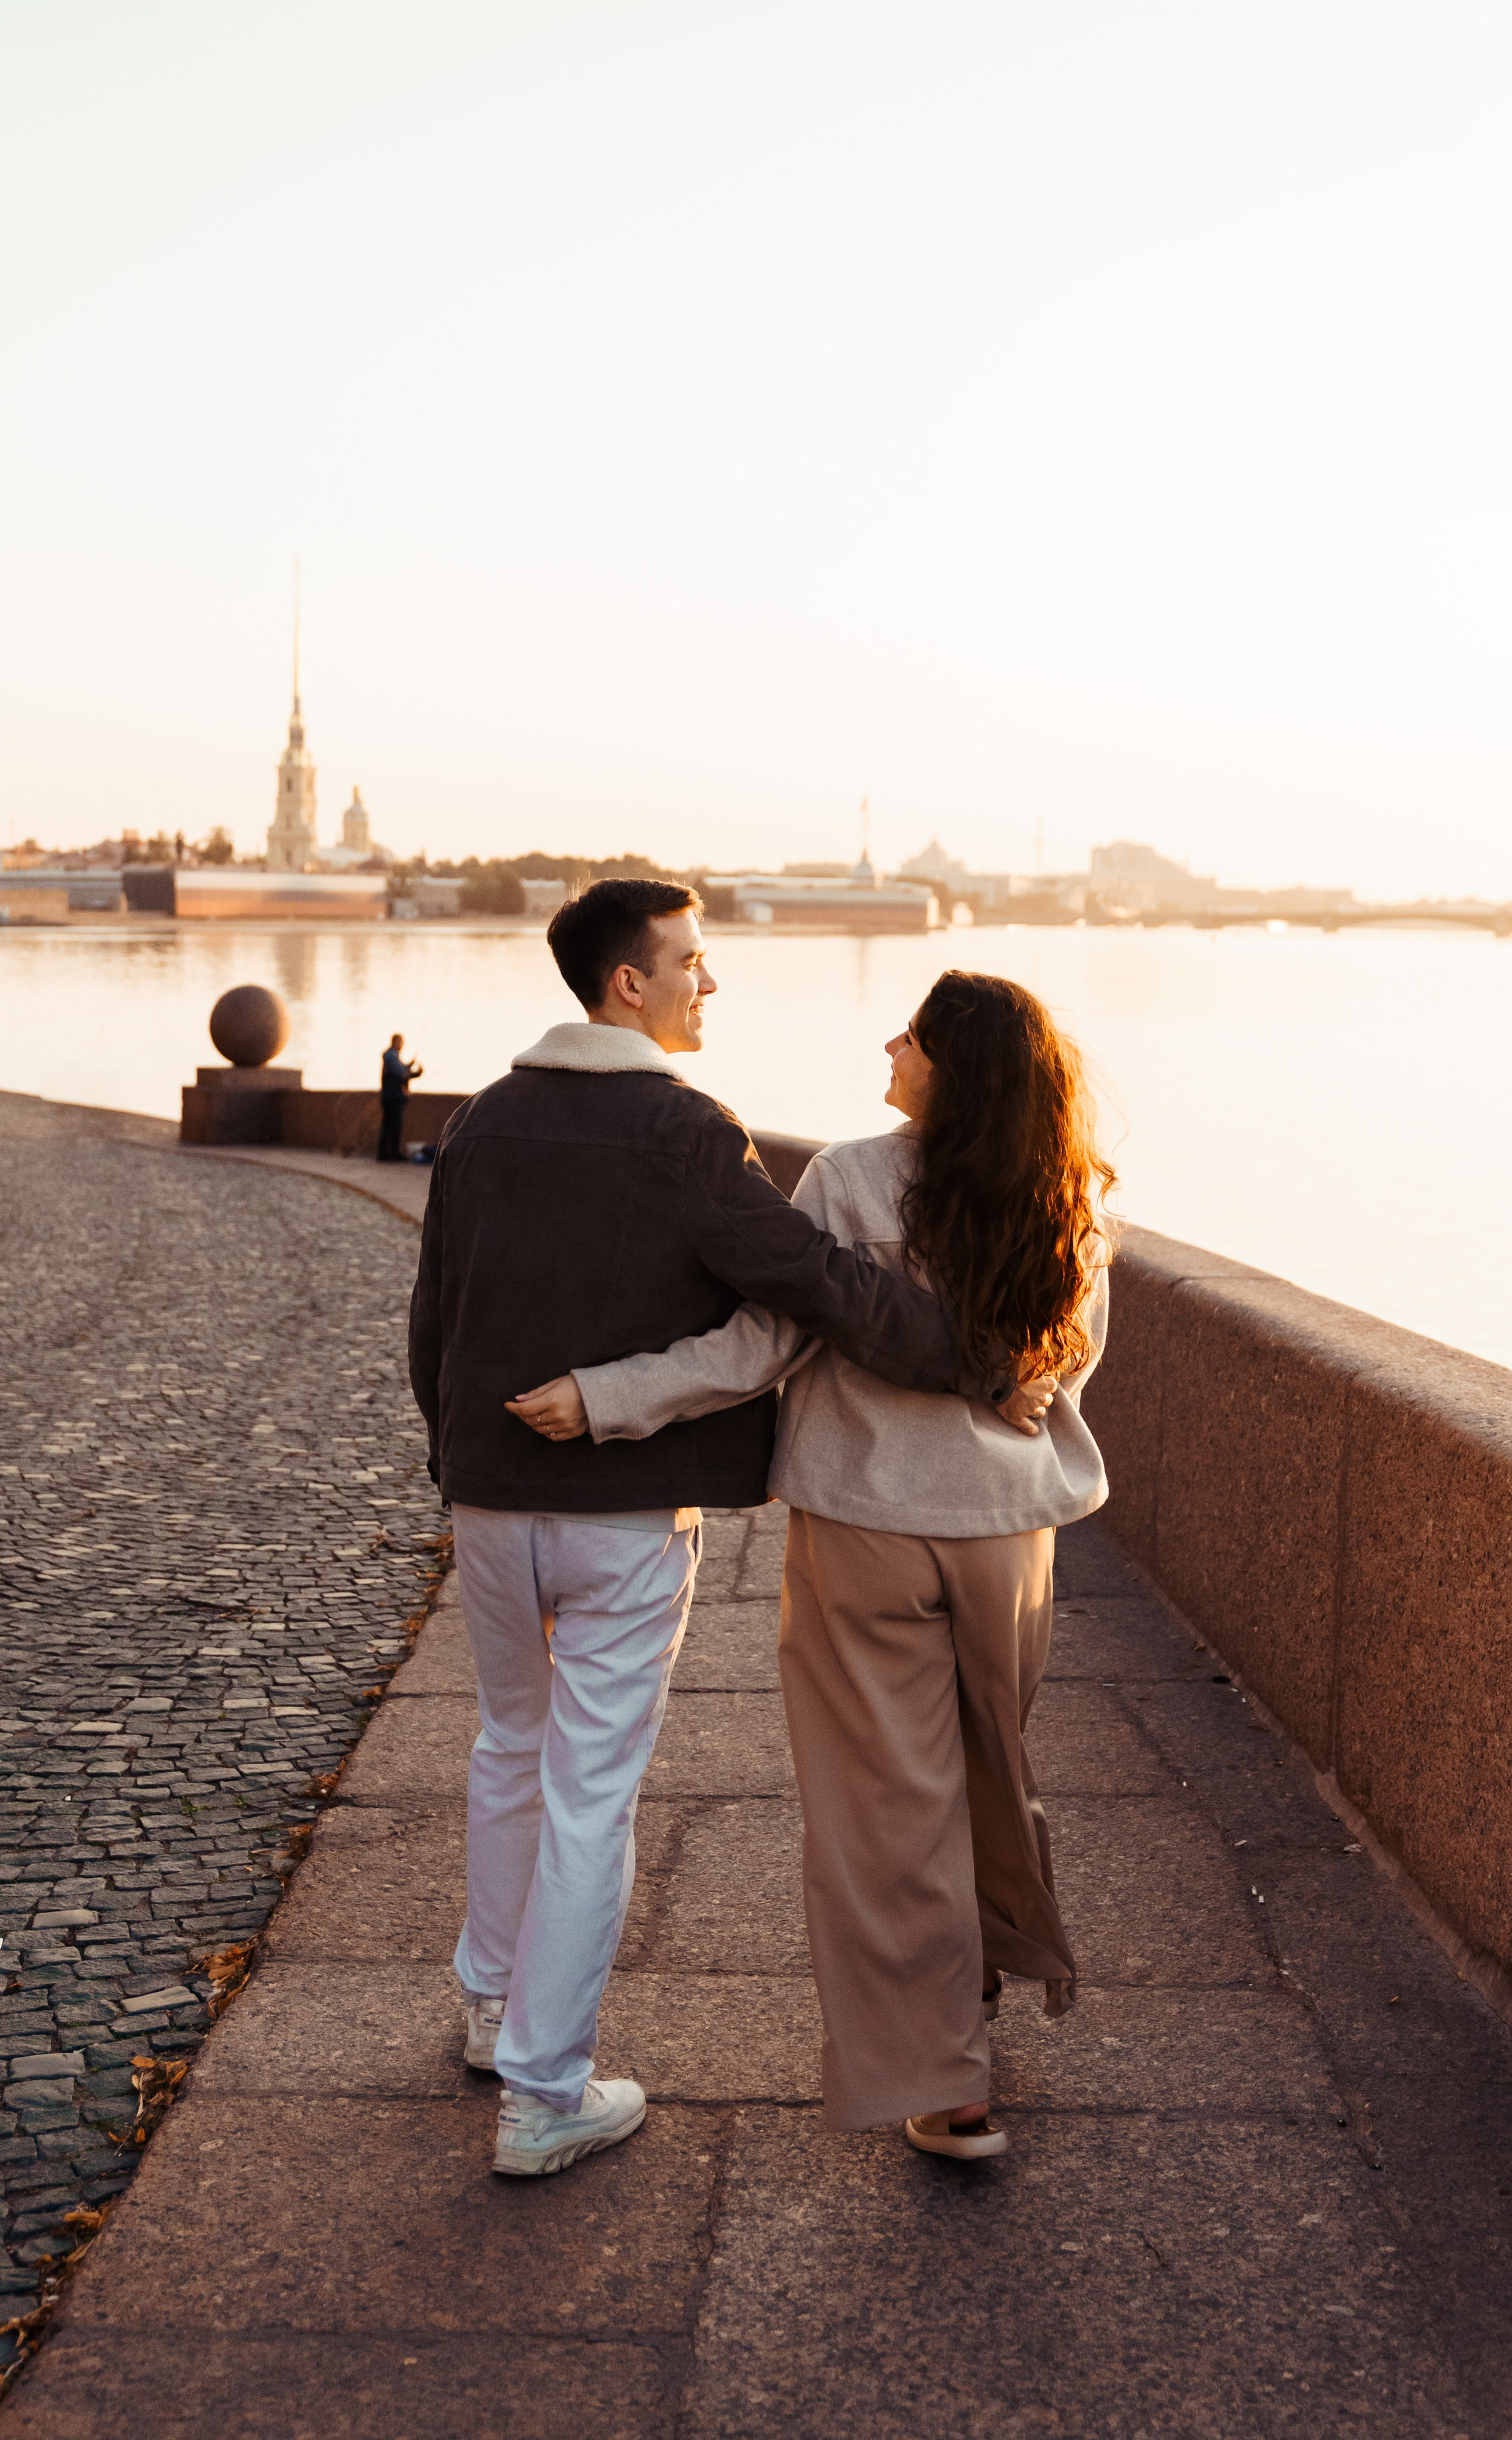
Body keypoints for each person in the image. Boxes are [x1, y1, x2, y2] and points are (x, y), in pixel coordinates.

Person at [408, 888, 1051, 2179]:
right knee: (588, 1793)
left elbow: (435, 1319)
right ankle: (542, 2094)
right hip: (625, 1514)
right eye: (692, 964)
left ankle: (489, 2010)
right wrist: (981, 1359)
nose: (713, 985)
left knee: (504, 1746)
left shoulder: (482, 1116)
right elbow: (810, 1288)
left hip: (487, 1498)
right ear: (626, 988)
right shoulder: (684, 1127)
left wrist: (460, 1453)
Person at [378, 1033, 422, 1163]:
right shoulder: (391, 1056)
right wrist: (415, 1073)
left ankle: (385, 1154)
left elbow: (401, 1070)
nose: (402, 1045)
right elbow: (401, 1073)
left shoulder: (392, 1056)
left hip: (390, 1097)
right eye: (401, 1042)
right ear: (395, 1042)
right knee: (394, 1126)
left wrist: (410, 1067)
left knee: (388, 1126)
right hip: (393, 1098)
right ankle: (391, 1153)